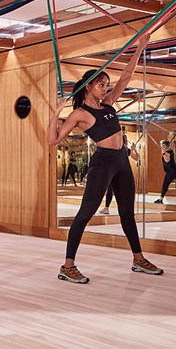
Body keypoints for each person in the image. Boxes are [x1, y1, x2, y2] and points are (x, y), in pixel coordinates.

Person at [48, 33, 163, 283]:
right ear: (88, 86)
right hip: (102, 163)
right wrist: (56, 112)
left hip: (122, 161)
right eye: (101, 85)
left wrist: (140, 48)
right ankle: (67, 266)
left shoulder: (109, 104)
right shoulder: (80, 113)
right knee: (85, 213)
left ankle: (138, 259)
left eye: (106, 85)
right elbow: (53, 140)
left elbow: (126, 77)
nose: (106, 89)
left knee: (127, 214)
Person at [99, 130, 138, 214]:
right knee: (117, 190)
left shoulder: (120, 149)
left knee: (111, 189)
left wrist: (134, 149)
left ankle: (107, 207)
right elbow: (136, 158)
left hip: (116, 170)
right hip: (123, 170)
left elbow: (136, 158)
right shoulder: (126, 150)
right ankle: (110, 208)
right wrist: (134, 150)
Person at [154, 139, 176, 204]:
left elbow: (167, 160)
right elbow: (161, 142)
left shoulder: (169, 152)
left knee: (165, 185)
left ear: (165, 146)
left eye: (163, 146)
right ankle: (160, 199)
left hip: (172, 171)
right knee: (165, 185)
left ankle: (160, 199)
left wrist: (163, 152)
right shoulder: (167, 151)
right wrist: (163, 149)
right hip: (170, 171)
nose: (161, 147)